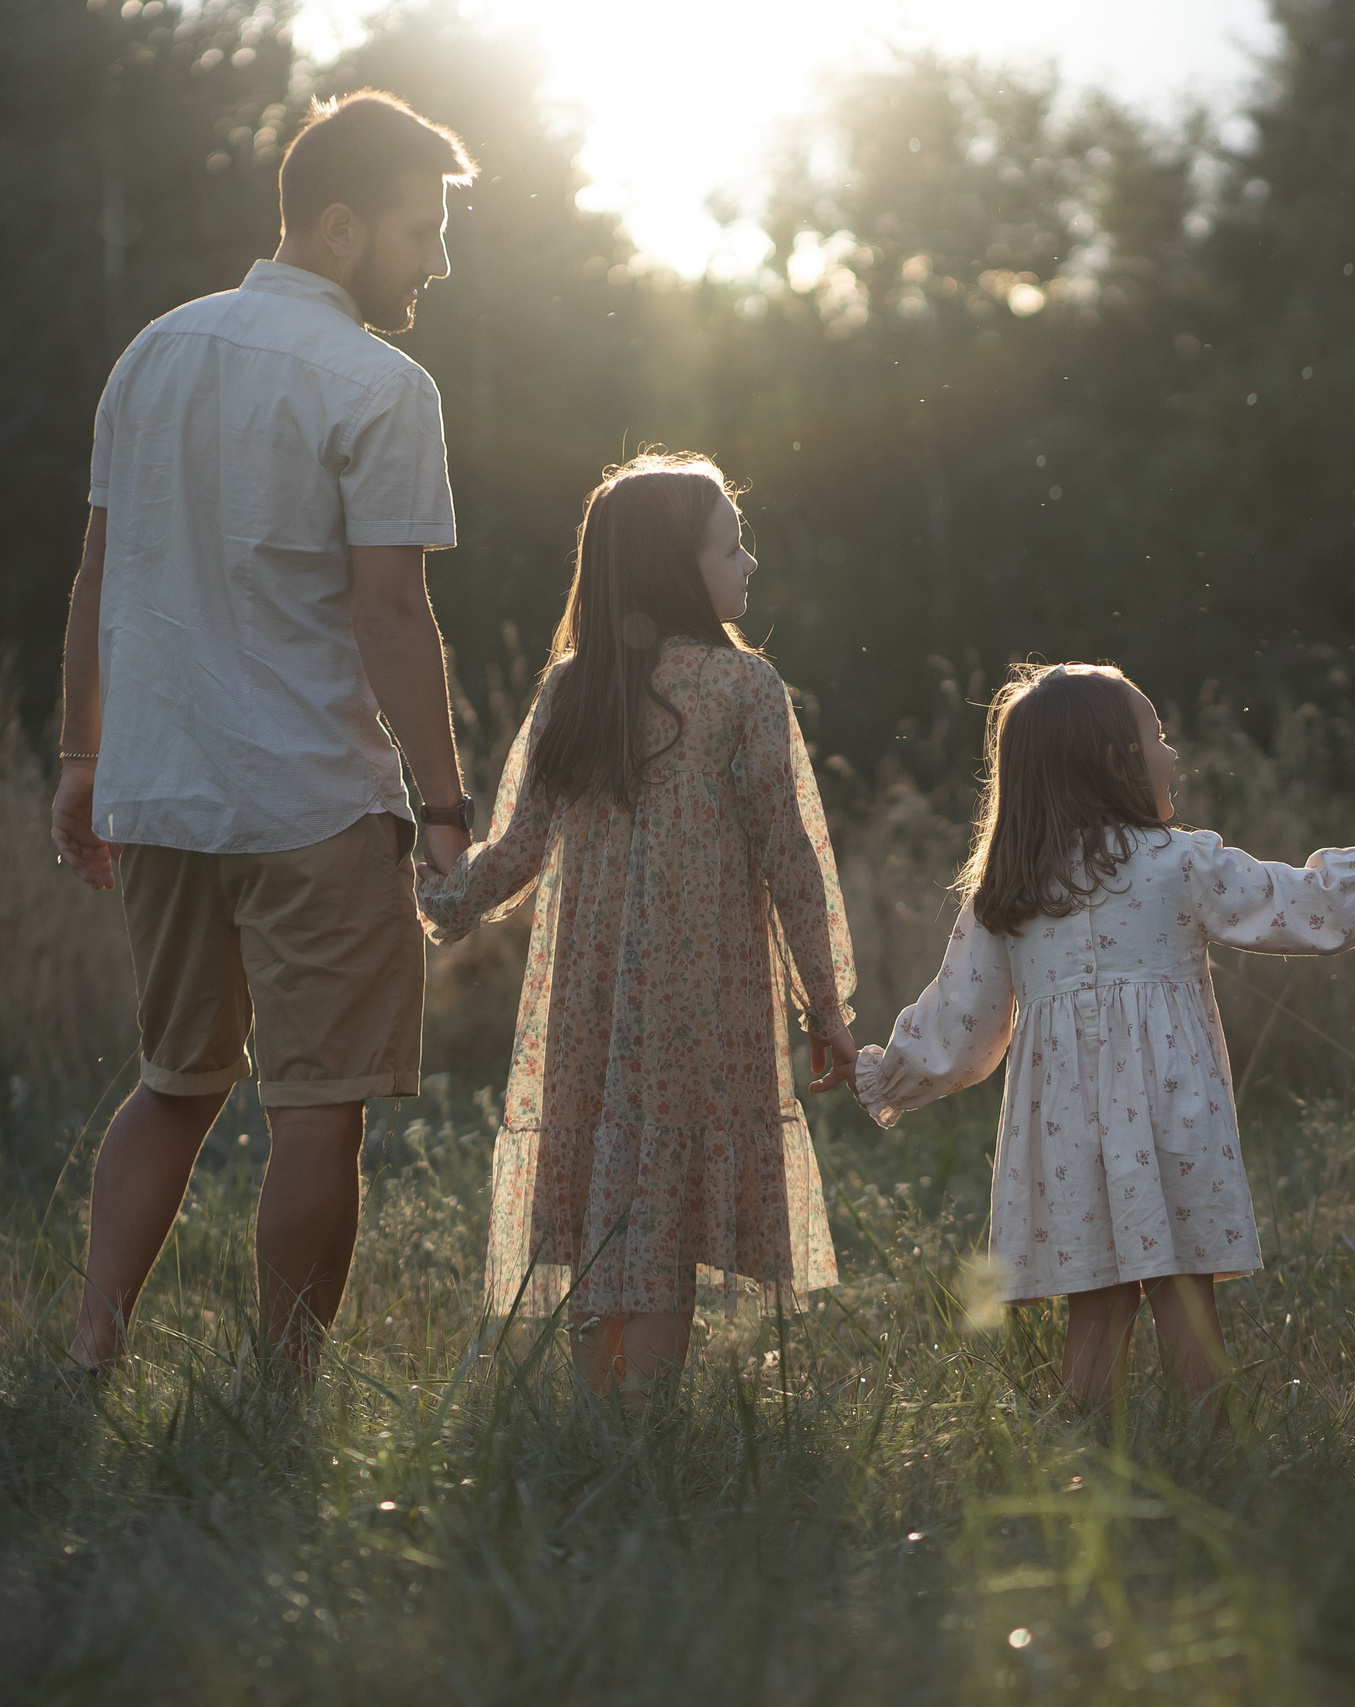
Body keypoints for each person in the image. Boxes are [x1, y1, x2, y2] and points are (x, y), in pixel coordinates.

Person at [50, 92, 478, 1377]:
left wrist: (83, 758)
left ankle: (89, 1351)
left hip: (164, 791)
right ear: (340, 227)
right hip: (314, 804)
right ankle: (283, 1387)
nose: (438, 264)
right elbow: (393, 610)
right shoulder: (382, 384)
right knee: (316, 1107)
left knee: (176, 1081)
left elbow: (95, 575)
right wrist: (448, 812)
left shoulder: (152, 352)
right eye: (421, 231)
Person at [849, 662, 1355, 1407]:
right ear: (1114, 760)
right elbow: (1302, 904)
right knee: (1183, 1291)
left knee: (1096, 1305)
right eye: (1156, 735)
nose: (1171, 753)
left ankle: (1087, 1458)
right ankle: (1209, 1445)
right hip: (1175, 1122)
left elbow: (959, 1025)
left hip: (1063, 1138)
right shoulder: (1179, 863)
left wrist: (885, 1072)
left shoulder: (1012, 890)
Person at [417, 453, 856, 1398]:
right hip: (701, 999)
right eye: (730, 546)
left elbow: (516, 852)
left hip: (592, 998)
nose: (749, 565)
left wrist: (441, 889)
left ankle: (596, 1407)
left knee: (607, 1192)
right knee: (665, 1200)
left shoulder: (573, 691)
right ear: (672, 567)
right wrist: (827, 1003)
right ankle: (639, 1427)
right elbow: (793, 861)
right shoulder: (745, 691)